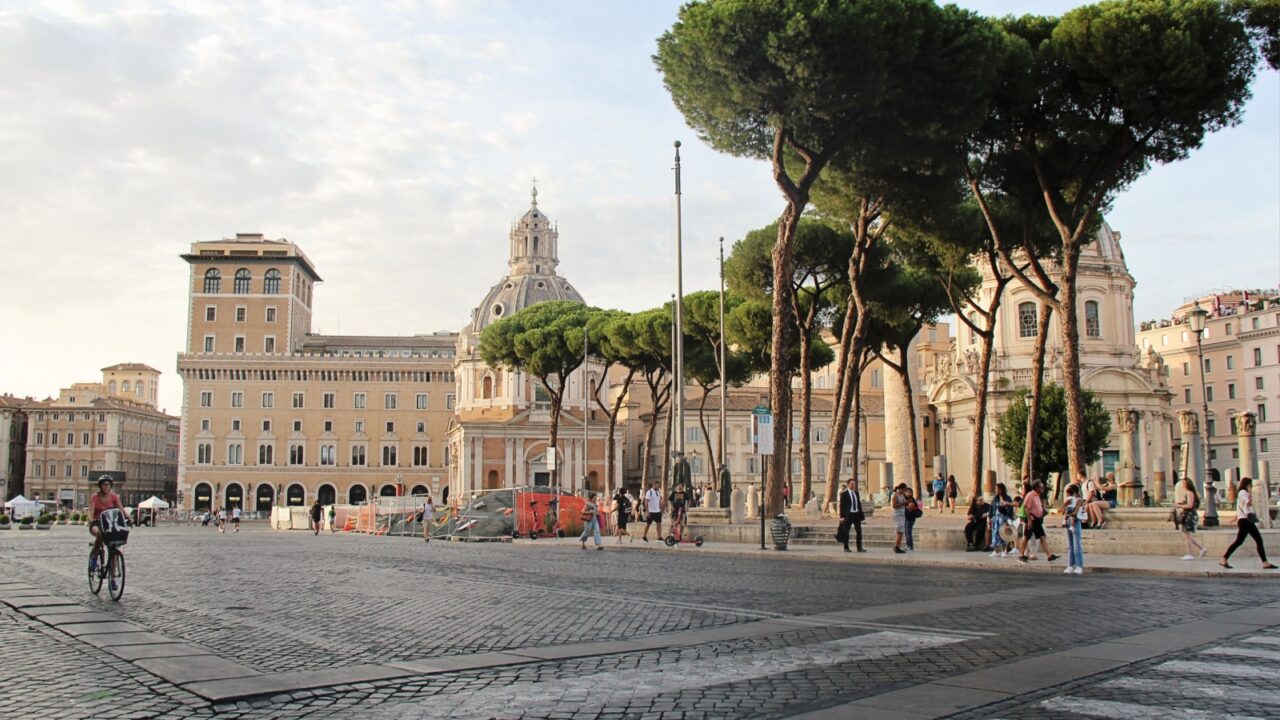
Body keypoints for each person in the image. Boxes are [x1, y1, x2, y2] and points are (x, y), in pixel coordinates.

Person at [1221, 477, 1277, 570]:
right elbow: (1249, 503)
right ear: (1247, 485)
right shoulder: (1243, 492)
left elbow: (1240, 507)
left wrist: (1235, 518)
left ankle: (1224, 558)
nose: (1251, 487)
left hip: (1243, 520)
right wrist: (1250, 493)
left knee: (1239, 541)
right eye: (1250, 485)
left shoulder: (1240, 493)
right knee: (1258, 540)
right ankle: (1265, 563)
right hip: (1246, 521)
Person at [88, 476, 126, 571]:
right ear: (100, 486)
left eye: (108, 484)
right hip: (96, 524)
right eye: (104, 484)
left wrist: (129, 517)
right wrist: (91, 519)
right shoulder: (94, 497)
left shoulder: (113, 496)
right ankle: (94, 557)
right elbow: (90, 511)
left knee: (112, 550)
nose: (106, 486)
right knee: (100, 534)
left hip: (109, 524)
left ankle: (112, 579)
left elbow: (121, 509)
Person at [1020, 480, 1059, 564]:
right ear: (1036, 488)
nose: (1043, 488)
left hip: (1037, 520)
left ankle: (1049, 555)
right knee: (1027, 537)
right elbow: (1026, 507)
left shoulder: (1037, 495)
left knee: (1042, 537)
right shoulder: (1030, 495)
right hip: (1032, 519)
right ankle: (1021, 555)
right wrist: (1029, 520)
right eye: (1041, 487)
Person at [1173, 477, 1206, 559]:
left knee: (1188, 535)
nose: (1182, 485)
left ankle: (1190, 554)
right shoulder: (1190, 493)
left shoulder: (1189, 493)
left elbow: (1190, 505)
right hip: (1189, 515)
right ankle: (1202, 549)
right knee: (1187, 536)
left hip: (1189, 515)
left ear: (1187, 484)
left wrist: (1180, 505)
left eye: (1184, 483)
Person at [837, 478, 865, 553]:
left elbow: (859, 504)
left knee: (859, 531)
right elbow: (841, 506)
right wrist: (842, 517)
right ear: (848, 485)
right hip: (848, 515)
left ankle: (859, 547)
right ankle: (846, 547)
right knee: (846, 532)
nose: (853, 485)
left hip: (856, 514)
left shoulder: (856, 493)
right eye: (852, 484)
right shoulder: (844, 494)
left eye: (854, 484)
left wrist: (861, 515)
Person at [1062, 484, 1085, 574]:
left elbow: (1076, 511)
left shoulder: (1079, 500)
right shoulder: (1069, 500)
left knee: (1076, 545)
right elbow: (1063, 511)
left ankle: (1079, 565)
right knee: (1069, 545)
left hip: (1075, 522)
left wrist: (1068, 514)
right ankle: (1070, 565)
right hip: (1068, 522)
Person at [988, 483, 1014, 557]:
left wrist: (1010, 519)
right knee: (995, 534)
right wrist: (990, 518)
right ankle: (996, 550)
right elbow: (991, 508)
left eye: (997, 489)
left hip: (1004, 519)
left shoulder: (1007, 498)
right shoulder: (995, 498)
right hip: (996, 519)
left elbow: (1010, 509)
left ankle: (1004, 550)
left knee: (1004, 534)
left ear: (1001, 489)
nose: (995, 490)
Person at [891, 484, 908, 554]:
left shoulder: (903, 495)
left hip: (902, 514)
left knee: (901, 532)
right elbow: (894, 506)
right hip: (897, 514)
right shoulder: (895, 495)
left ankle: (898, 546)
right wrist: (903, 503)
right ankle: (896, 546)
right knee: (899, 531)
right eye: (904, 489)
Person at [903, 486, 920, 552]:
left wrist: (904, 506)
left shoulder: (912, 500)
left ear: (912, 493)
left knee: (908, 533)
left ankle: (911, 546)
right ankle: (908, 545)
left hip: (910, 518)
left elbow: (909, 509)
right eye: (907, 492)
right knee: (906, 532)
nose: (908, 493)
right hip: (907, 518)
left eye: (909, 492)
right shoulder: (906, 500)